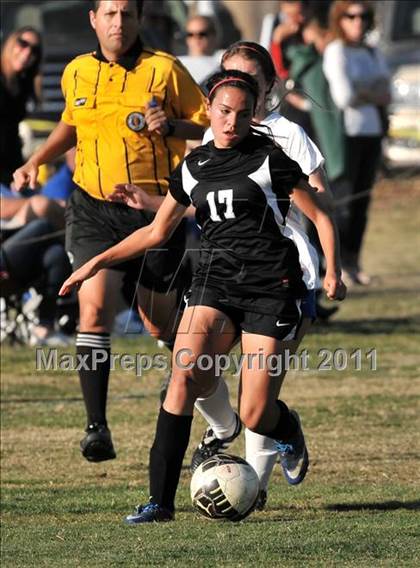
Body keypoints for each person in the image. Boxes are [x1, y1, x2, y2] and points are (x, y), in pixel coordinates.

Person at [59, 69, 346, 523]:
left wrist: (333, 271)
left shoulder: (270, 160)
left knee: (256, 413)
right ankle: (159, 502)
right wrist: (95, 262)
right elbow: (157, 231)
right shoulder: (192, 166)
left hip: (271, 290)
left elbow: (323, 214)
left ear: (254, 116)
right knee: (183, 376)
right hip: (214, 286)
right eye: (224, 111)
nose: (231, 122)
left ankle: (285, 425)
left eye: (242, 113)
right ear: (208, 111)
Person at [13, 0, 208, 464]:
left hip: (154, 213)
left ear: (139, 20)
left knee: (158, 321)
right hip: (92, 209)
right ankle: (96, 426)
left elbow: (207, 123)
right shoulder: (78, 71)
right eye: (110, 13)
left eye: (127, 14)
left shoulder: (165, 69)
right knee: (94, 306)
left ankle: (200, 392)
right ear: (94, 20)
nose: (118, 23)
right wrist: (37, 159)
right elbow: (72, 124)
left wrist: (171, 125)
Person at [191, 40, 339, 510]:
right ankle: (222, 429)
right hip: (223, 276)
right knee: (190, 366)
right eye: (229, 78)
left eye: (250, 81)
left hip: (284, 273)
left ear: (267, 88)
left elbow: (319, 200)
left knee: (261, 396)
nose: (238, 89)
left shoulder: (285, 136)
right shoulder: (212, 137)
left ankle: (253, 485)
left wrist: (295, 189)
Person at [323, 0, 390, 285]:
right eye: (351, 16)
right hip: (346, 136)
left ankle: (354, 261)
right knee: (345, 202)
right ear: (340, 19)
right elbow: (344, 97)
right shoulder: (336, 51)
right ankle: (336, 266)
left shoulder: (372, 51)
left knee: (362, 202)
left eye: (363, 16)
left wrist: (365, 91)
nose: (357, 22)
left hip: (371, 132)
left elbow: (388, 92)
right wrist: (370, 91)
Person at [0, 26, 42, 186]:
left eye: (34, 50)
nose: (27, 53)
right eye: (23, 44)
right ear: (11, 42)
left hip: (11, 172)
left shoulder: (22, 84)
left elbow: (10, 135)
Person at [178, 15, 222, 88]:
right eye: (190, 34)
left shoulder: (225, 62)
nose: (196, 38)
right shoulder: (175, 63)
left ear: (214, 35)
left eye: (202, 34)